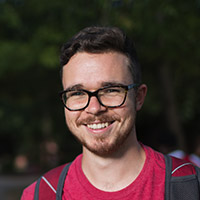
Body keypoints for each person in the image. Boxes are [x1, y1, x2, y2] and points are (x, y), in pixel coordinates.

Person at [21, 26, 199, 200]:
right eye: (77, 93)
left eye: (111, 90)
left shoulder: (191, 186)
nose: (94, 108)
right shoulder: (42, 194)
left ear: (138, 97)